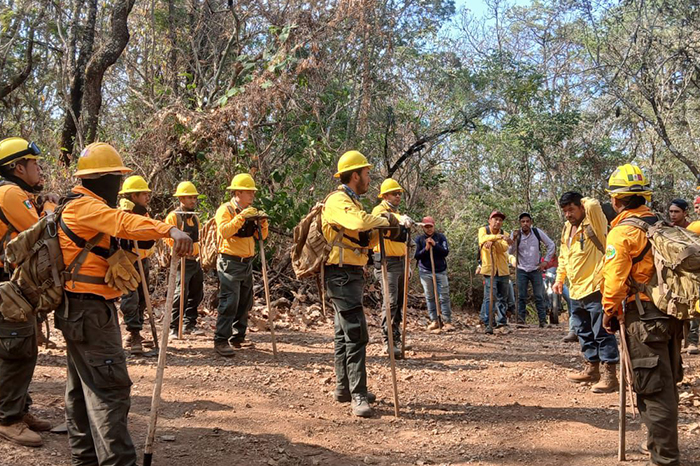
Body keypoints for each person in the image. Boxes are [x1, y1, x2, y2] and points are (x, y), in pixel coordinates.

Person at [55, 142, 192, 465]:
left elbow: (121, 230)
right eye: (116, 177)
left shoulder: (79, 205)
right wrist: (169, 230)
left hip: (80, 309)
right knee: (110, 390)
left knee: (81, 388)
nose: (118, 184)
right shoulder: (84, 207)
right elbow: (122, 222)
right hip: (89, 311)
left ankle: (84, 459)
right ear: (102, 178)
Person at [601, 163, 683, 466]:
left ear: (615, 200)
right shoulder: (660, 224)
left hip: (643, 317)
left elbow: (614, 281)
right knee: (665, 384)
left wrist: (609, 312)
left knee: (653, 390)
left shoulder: (622, 233)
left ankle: (665, 459)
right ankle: (662, 451)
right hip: (670, 314)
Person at [322, 150, 396, 418]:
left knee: (343, 333)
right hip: (340, 274)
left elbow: (363, 238)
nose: (368, 178)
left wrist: (386, 229)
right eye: (366, 173)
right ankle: (358, 394)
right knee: (356, 332)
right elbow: (357, 222)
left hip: (350, 272)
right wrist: (387, 220)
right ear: (355, 175)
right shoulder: (338, 201)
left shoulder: (353, 202)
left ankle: (344, 388)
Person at [0, 137, 55, 447]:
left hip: (9, 284)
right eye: (33, 164)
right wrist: (49, 206)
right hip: (5, 287)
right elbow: (44, 231)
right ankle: (8, 419)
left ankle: (19, 409)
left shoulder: (13, 191)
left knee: (18, 346)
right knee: (16, 350)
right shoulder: (9, 193)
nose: (38, 169)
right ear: (17, 167)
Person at [553, 191, 619, 393]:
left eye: (571, 209)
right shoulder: (567, 229)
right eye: (565, 211)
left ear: (581, 207)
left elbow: (593, 203)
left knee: (602, 331)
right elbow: (564, 256)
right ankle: (592, 368)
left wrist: (581, 200)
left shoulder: (595, 222)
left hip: (596, 286)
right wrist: (559, 279)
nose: (568, 214)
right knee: (582, 331)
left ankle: (610, 375)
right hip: (575, 290)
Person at [214, 173, 268, 357]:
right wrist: (241, 217)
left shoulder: (251, 210)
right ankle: (221, 340)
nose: (252, 195)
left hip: (247, 262)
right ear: (238, 192)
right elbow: (224, 231)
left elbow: (261, 237)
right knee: (230, 301)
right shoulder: (226, 209)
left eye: (253, 192)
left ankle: (238, 337)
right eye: (248, 192)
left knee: (245, 302)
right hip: (230, 262)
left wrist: (262, 224)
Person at [117, 175, 157, 355]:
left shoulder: (143, 212)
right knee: (130, 298)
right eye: (144, 194)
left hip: (143, 260)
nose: (147, 197)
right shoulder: (123, 214)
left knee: (143, 297)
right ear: (133, 196)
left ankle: (137, 330)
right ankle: (133, 333)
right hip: (128, 261)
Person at [372, 178, 411, 358]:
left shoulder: (399, 213)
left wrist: (407, 263)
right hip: (386, 262)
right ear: (385, 195)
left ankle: (396, 337)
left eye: (399, 194)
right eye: (395, 193)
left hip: (400, 261)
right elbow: (382, 221)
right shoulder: (379, 211)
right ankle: (388, 342)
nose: (398, 196)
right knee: (391, 301)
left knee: (400, 302)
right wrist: (399, 219)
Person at [166, 181, 205, 338]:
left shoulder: (195, 218)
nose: (193, 201)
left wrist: (198, 251)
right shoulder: (173, 217)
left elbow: (200, 238)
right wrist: (186, 247)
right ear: (181, 198)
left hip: (194, 261)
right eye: (189, 197)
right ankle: (174, 328)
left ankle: (190, 324)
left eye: (194, 198)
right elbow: (168, 239)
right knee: (180, 293)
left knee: (196, 293)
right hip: (180, 261)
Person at [508, 212, 556, 327]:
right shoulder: (516, 234)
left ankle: (542, 321)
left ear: (531, 222)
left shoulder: (537, 232)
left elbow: (551, 245)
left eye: (527, 221)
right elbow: (509, 251)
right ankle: (520, 320)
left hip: (536, 269)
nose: (525, 224)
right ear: (520, 223)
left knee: (539, 296)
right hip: (521, 269)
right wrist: (513, 239)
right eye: (523, 221)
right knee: (521, 296)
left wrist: (545, 261)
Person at [414, 216, 453, 331]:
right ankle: (434, 320)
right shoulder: (419, 239)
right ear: (423, 228)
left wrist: (435, 245)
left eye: (430, 226)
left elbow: (445, 252)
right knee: (430, 296)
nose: (429, 229)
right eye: (426, 227)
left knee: (444, 296)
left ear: (434, 226)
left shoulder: (441, 237)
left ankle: (447, 321)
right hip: (425, 271)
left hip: (440, 271)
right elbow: (416, 256)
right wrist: (426, 248)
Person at [478, 211, 513, 333]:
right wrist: (498, 238)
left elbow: (503, 248)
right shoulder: (483, 230)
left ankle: (501, 322)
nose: (498, 222)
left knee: (502, 297)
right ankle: (488, 323)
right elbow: (482, 239)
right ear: (489, 220)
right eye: (495, 219)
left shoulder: (506, 233)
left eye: (500, 220)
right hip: (489, 270)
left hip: (503, 270)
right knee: (489, 297)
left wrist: (493, 241)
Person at [685, 209, 700, 355]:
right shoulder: (695, 227)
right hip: (697, 273)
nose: (698, 209)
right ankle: (692, 341)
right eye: (696, 206)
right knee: (695, 306)